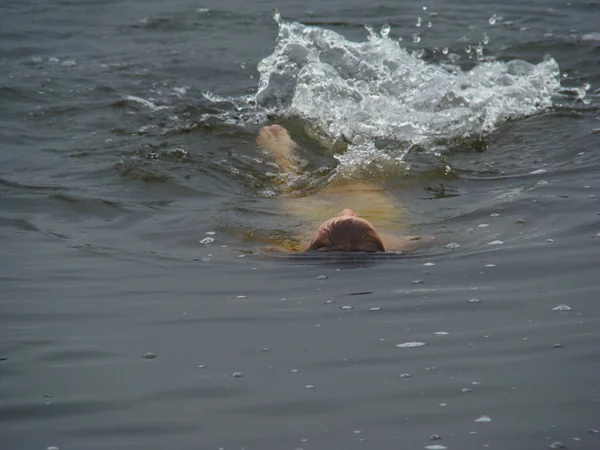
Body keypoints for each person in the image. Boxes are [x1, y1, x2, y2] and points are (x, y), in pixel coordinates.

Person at [255, 124, 433, 253]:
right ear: (381, 242)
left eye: (339, 217)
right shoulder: (396, 243)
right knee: (362, 185)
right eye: (357, 217)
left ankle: (283, 158)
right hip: (374, 206)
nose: (347, 210)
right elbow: (433, 240)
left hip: (314, 208)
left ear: (311, 243)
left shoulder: (296, 246)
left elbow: (261, 252)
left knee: (291, 196)